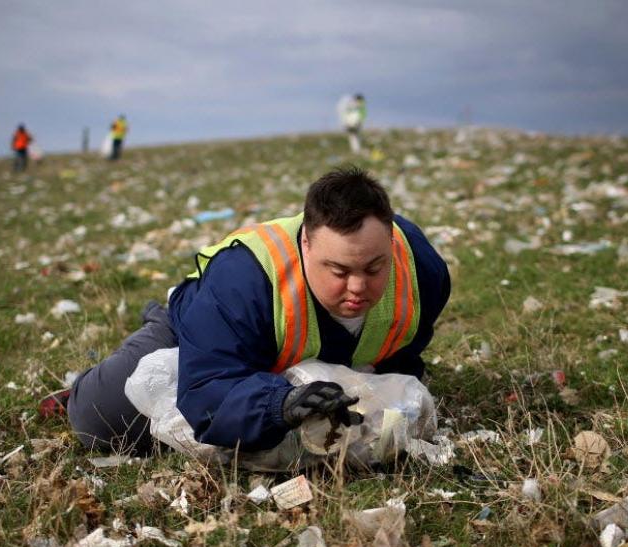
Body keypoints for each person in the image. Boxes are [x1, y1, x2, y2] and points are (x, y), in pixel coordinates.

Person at [50, 167, 451, 455]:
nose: (359, 287)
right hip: (211, 336)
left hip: (299, 356)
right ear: (306, 245)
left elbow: (404, 350)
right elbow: (208, 389)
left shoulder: (422, 270)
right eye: (340, 271)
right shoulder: (242, 280)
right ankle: (145, 331)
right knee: (100, 420)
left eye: (374, 268)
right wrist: (279, 405)